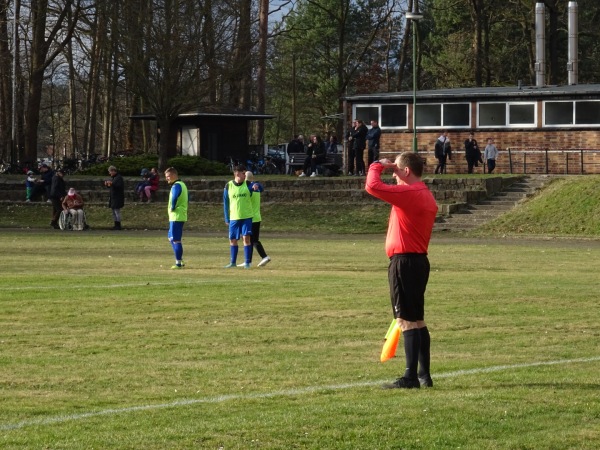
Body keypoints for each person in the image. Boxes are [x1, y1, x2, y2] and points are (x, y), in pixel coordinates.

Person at [365, 152, 438, 389]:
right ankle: (424, 374)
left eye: (397, 169)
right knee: (417, 320)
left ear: (406, 171)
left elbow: (372, 186)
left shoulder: (410, 193)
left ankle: (410, 377)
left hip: (403, 262)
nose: (393, 174)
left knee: (405, 320)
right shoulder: (426, 195)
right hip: (418, 261)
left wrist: (379, 165)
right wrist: (397, 169)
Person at [223, 165, 254, 269]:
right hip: (234, 217)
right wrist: (227, 218)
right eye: (243, 173)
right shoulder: (228, 186)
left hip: (246, 216)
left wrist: (256, 187)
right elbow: (225, 203)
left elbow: (260, 188)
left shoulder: (248, 184)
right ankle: (232, 263)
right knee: (232, 240)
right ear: (237, 174)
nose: (245, 175)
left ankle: (247, 262)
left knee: (246, 238)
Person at [240, 171, 271, 267]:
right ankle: (248, 260)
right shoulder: (257, 186)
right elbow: (261, 187)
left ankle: (264, 256)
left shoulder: (248, 187)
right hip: (257, 216)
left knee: (252, 240)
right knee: (251, 239)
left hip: (250, 217)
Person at [164, 167, 188, 269]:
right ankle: (180, 258)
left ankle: (178, 262)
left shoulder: (176, 186)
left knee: (176, 239)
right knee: (170, 237)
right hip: (178, 215)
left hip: (176, 216)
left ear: (174, 175)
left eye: (168, 176)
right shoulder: (182, 184)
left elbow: (174, 197)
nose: (167, 179)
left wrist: (173, 206)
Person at [105, 165, 125, 230]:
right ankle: (115, 224)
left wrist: (111, 184)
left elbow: (118, 186)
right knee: (113, 211)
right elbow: (112, 186)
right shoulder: (114, 178)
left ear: (113, 171)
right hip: (113, 197)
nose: (109, 173)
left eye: (110, 172)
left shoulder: (119, 178)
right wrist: (108, 185)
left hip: (117, 197)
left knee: (117, 211)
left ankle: (118, 225)